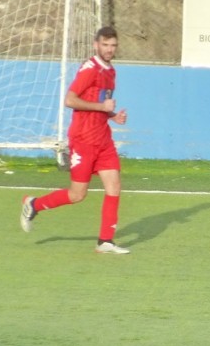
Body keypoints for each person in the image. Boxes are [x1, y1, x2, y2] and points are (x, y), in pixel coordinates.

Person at [19, 26, 130, 254]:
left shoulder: (111, 71)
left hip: (103, 139)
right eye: (105, 45)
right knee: (77, 194)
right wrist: (103, 107)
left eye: (113, 45)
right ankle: (34, 204)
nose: (109, 49)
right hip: (83, 139)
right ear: (96, 45)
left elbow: (100, 102)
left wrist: (112, 115)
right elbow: (70, 100)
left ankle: (105, 241)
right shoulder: (89, 69)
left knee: (114, 186)